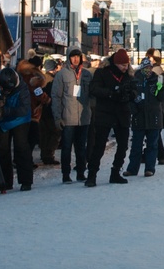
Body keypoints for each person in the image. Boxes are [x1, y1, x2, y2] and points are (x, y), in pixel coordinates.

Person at [87, 48, 133, 184]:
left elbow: (135, 92)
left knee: (123, 145)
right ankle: (92, 175)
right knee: (99, 145)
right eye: (123, 65)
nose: (125, 67)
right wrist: (112, 92)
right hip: (105, 113)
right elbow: (94, 89)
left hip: (122, 114)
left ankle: (115, 172)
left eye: (126, 65)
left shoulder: (129, 76)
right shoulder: (102, 73)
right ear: (116, 63)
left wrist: (129, 94)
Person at [51, 47, 92, 182]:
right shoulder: (62, 74)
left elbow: (92, 95)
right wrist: (57, 117)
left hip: (83, 117)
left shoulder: (86, 74)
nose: (75, 59)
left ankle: (81, 172)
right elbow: (56, 97)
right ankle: (66, 174)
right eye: (73, 56)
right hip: (67, 117)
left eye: (78, 56)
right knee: (67, 148)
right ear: (68, 58)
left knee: (81, 148)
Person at [0, 66, 34, 190]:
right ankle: (4, 181)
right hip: (2, 120)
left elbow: (24, 108)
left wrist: (5, 110)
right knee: (2, 150)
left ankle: (26, 181)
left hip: (20, 119)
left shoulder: (22, 88)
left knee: (21, 147)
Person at [126, 50, 164, 177]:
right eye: (145, 68)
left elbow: (162, 97)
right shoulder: (135, 81)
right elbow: (130, 98)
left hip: (154, 117)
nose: (148, 70)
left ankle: (149, 169)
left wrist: (160, 89)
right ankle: (132, 169)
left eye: (149, 68)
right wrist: (133, 109)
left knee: (152, 145)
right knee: (136, 146)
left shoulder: (156, 80)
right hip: (139, 117)